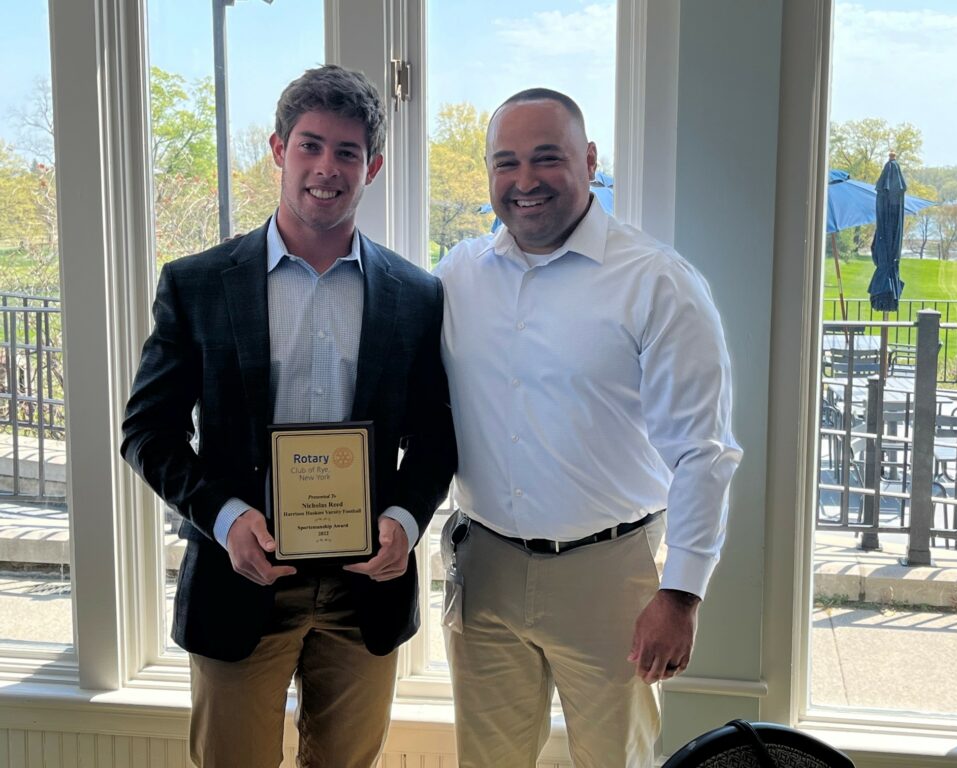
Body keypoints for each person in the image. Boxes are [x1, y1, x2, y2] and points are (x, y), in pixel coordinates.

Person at [121, 65, 456, 768]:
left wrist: (404, 519)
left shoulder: (418, 296)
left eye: (346, 152)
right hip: (240, 579)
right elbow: (147, 430)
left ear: (375, 166)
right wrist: (224, 516)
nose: (325, 168)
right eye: (309, 145)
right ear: (278, 150)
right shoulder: (196, 285)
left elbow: (435, 438)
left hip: (365, 592)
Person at [434, 88, 742, 767]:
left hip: (612, 577)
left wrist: (682, 594)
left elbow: (704, 453)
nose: (524, 181)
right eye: (505, 162)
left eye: (547, 158)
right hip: (483, 572)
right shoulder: (459, 276)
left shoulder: (657, 282)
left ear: (589, 159)